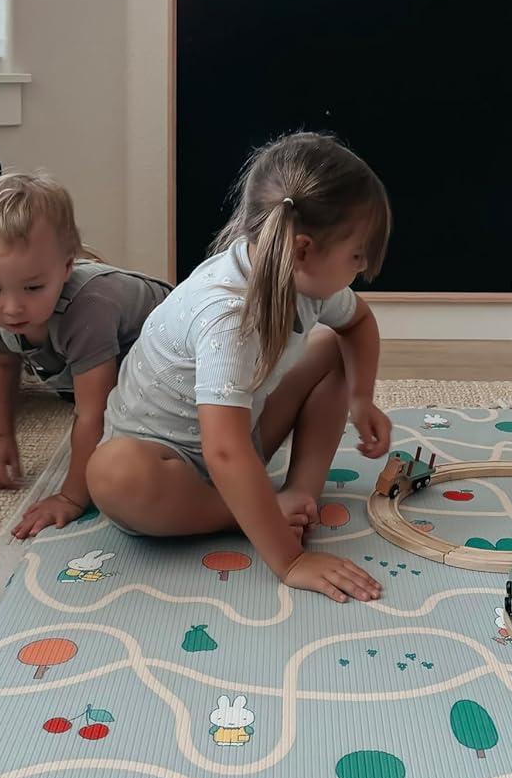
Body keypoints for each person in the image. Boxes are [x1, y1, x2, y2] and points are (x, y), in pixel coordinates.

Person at [86, 132, 392, 604]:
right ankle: (251, 512)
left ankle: (300, 497)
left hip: (237, 438)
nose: (365, 264)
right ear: (305, 249)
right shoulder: (227, 315)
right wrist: (289, 560)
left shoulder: (307, 281)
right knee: (111, 474)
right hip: (166, 465)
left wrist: (361, 398)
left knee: (332, 348)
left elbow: (359, 324)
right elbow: (223, 451)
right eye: (357, 255)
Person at [0, 172, 169, 538]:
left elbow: (92, 412)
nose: (11, 308)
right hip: (116, 364)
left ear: (67, 267)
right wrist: (1, 438)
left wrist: (72, 496)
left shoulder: (88, 310)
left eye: (33, 287)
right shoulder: (0, 311)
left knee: (140, 448)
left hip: (175, 356)